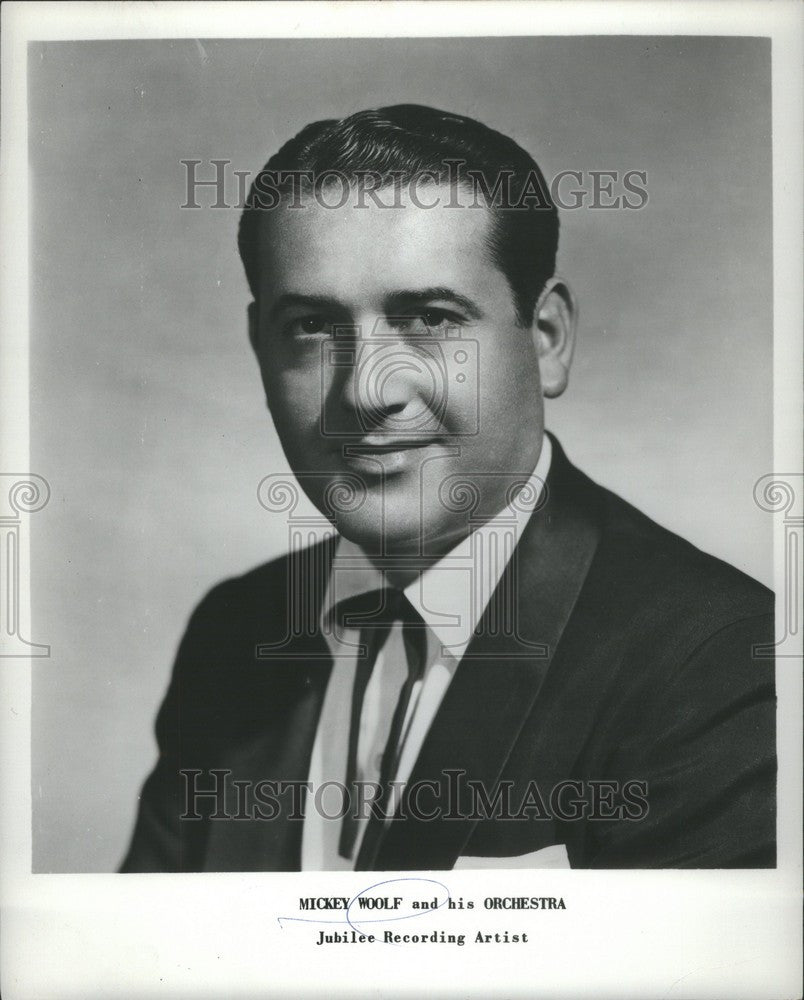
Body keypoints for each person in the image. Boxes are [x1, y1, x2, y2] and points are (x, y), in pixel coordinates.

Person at [121, 105, 775, 872]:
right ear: (259, 347)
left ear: (548, 339)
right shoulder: (235, 633)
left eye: (430, 317)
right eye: (310, 326)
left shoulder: (718, 660)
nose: (367, 391)